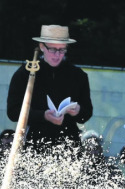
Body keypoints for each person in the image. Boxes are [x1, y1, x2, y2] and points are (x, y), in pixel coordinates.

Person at [6, 25, 93, 154]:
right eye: (52, 49)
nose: (57, 55)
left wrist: (78, 111)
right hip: (35, 145)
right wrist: (42, 116)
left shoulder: (78, 75)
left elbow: (87, 113)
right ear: (42, 47)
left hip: (69, 145)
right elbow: (13, 112)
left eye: (62, 50)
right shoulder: (26, 73)